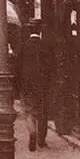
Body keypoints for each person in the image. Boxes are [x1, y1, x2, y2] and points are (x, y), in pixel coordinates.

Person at [18, 21, 50, 151]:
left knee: (29, 110)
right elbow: (51, 66)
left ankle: (32, 132)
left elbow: (18, 67)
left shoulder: (23, 46)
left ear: (29, 31)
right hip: (42, 84)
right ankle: (41, 140)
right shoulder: (45, 46)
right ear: (40, 31)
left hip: (27, 84)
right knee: (42, 111)